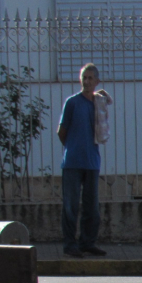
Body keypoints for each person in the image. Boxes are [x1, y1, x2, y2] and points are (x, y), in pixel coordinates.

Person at [58, 63, 111, 257]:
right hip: (72, 162)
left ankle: (87, 242)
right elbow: (61, 131)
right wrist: (73, 147)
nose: (87, 81)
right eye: (84, 78)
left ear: (97, 81)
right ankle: (70, 245)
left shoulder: (99, 104)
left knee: (91, 207)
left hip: (91, 162)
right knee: (70, 207)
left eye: (90, 78)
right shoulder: (72, 103)